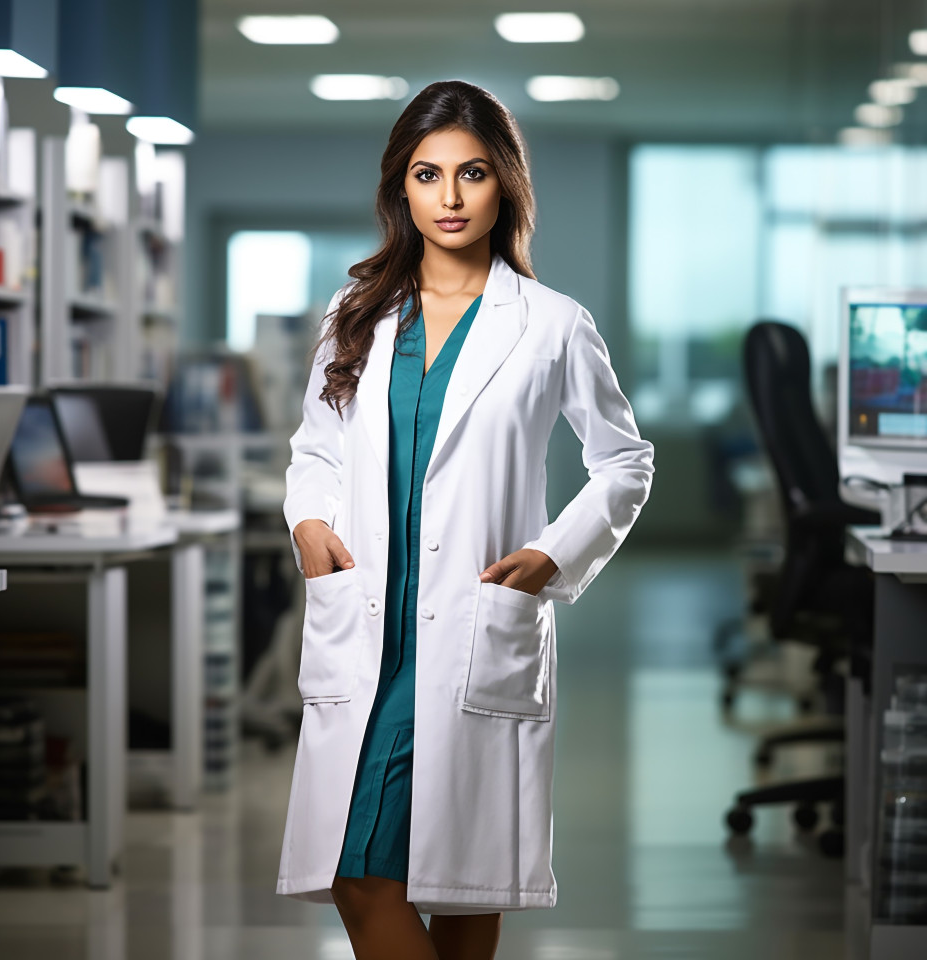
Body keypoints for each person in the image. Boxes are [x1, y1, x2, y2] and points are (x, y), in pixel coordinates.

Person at [277, 79, 654, 960]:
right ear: (399, 188)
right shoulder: (357, 313)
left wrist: (552, 555)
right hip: (370, 619)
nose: (448, 198)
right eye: (426, 174)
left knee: (463, 885)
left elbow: (625, 460)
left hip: (476, 621)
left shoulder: (551, 324)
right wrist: (307, 523)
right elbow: (315, 449)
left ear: (504, 185)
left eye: (472, 173)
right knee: (362, 873)